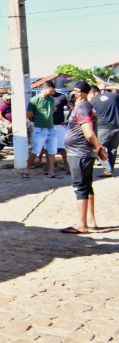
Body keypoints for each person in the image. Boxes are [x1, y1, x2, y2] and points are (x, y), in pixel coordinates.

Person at [61, 81, 108, 234]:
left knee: (80, 187)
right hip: (82, 152)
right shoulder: (83, 107)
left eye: (74, 91)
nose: (71, 94)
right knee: (87, 186)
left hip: (79, 153)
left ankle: (82, 224)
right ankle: (91, 220)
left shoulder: (82, 108)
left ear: (80, 92)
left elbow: (88, 133)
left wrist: (98, 147)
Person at [23, 84, 59, 179]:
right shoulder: (34, 100)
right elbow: (29, 114)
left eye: (53, 91)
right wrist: (37, 120)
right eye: (50, 91)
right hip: (40, 129)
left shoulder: (51, 100)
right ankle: (27, 170)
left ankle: (51, 171)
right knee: (36, 150)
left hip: (51, 128)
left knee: (52, 151)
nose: (52, 93)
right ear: (44, 89)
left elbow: (51, 112)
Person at [89, 84, 119, 177]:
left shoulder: (93, 101)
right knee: (113, 149)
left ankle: (107, 170)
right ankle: (111, 169)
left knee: (99, 148)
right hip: (117, 126)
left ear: (93, 93)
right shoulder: (115, 96)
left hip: (103, 127)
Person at [49, 84, 73, 175]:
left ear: (53, 88)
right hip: (48, 126)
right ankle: (50, 170)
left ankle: (68, 168)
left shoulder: (62, 96)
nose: (50, 92)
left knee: (63, 147)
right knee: (50, 149)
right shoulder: (44, 98)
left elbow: (72, 109)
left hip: (60, 125)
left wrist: (68, 121)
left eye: (51, 90)